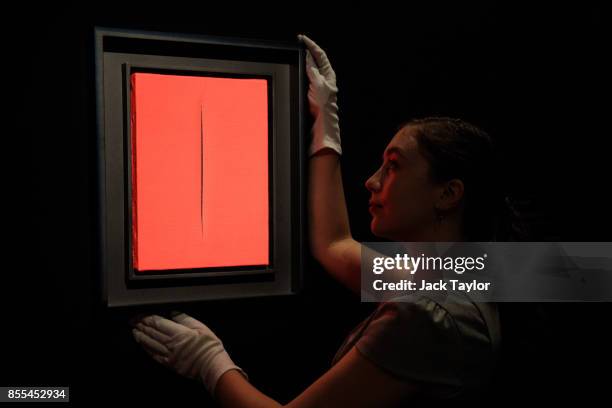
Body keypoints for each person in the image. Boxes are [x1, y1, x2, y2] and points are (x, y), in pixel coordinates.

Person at [131, 34, 526, 407]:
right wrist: (326, 124)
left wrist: (210, 364)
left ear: (448, 193)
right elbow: (334, 243)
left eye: (393, 167)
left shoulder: (425, 315)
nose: (371, 181)